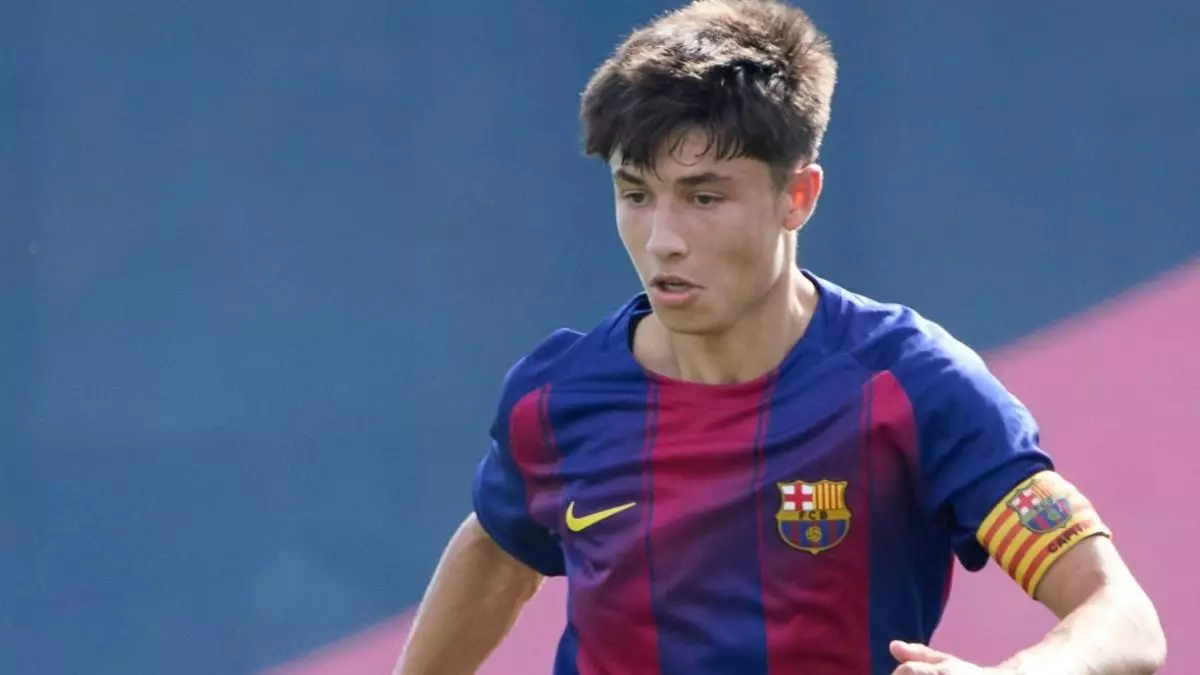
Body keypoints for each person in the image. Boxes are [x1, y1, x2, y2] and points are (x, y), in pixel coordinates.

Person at [395, 1, 1166, 673]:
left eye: (703, 197)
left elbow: (1122, 616)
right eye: (635, 193)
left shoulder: (914, 386)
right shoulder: (557, 399)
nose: (662, 239)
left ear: (798, 195)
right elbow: (497, 550)